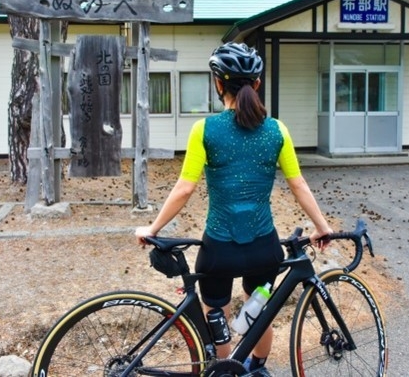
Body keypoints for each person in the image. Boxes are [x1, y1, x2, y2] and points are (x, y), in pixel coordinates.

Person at [135, 42, 334, 375]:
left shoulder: (205, 129)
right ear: (256, 85)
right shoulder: (277, 130)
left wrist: (152, 229)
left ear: (218, 84)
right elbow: (298, 185)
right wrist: (322, 226)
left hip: (220, 248)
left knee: (217, 313)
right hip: (263, 246)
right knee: (258, 310)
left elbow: (185, 188)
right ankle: (255, 368)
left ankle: (227, 371)